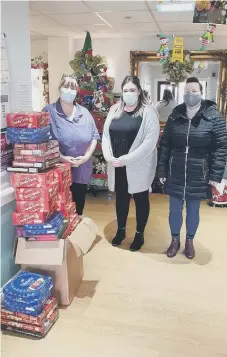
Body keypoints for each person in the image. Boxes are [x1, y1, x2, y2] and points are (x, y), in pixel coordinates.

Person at [158, 77, 227, 259]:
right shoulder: (175, 114)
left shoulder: (212, 115)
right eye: (187, 91)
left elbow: (221, 146)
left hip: (199, 171)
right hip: (176, 169)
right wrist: (162, 171)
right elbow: (165, 145)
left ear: (201, 93)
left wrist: (215, 174)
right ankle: (174, 240)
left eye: (194, 91)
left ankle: (189, 241)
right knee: (174, 208)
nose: (190, 95)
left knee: (193, 209)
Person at [102, 75, 160, 252]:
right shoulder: (114, 110)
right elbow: (105, 135)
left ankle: (139, 234)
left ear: (139, 92)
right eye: (125, 90)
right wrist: (108, 156)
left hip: (138, 165)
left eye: (132, 90)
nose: (128, 94)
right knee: (121, 199)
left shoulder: (148, 112)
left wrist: (127, 159)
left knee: (141, 199)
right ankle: (121, 231)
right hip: (117, 165)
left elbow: (150, 142)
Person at [43, 74, 100, 217]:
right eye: (66, 86)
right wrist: (62, 158)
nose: (69, 90)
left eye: (73, 87)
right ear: (59, 89)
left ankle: (75, 237)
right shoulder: (48, 111)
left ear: (77, 91)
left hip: (81, 168)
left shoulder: (84, 112)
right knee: (58, 210)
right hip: (58, 170)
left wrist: (86, 157)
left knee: (77, 209)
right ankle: (62, 239)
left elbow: (94, 136)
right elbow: (43, 142)